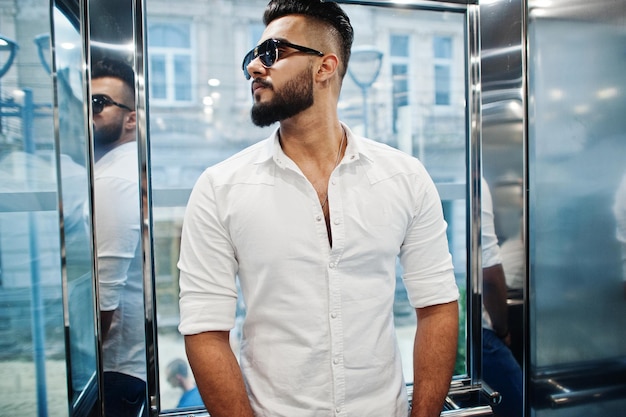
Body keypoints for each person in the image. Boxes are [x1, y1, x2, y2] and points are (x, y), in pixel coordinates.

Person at [177, 1, 459, 416]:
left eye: (272, 52)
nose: (255, 67)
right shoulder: (220, 187)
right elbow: (205, 330)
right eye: (251, 57)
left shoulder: (404, 177)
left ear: (325, 67)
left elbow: (437, 306)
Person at [91, 57, 146, 417]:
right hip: (123, 367)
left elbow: (104, 299)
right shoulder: (119, 169)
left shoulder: (114, 180)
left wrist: (83, 367)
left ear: (131, 118)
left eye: (99, 103)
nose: (89, 111)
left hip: (113, 369)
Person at [481, 177, 523, 417]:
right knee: (520, 406)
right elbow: (489, 276)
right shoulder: (477, 184)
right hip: (485, 331)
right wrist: (502, 329)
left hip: (476, 329)